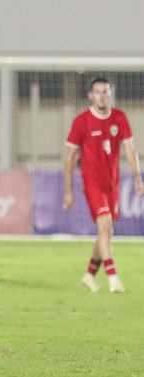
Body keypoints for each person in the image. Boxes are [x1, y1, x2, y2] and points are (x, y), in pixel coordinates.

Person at [64, 77, 143, 293]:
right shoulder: (82, 121)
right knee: (105, 226)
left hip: (113, 185)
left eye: (105, 91)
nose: (101, 95)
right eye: (97, 91)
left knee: (105, 234)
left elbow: (130, 150)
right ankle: (113, 278)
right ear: (91, 95)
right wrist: (69, 190)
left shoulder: (119, 117)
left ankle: (89, 275)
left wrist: (137, 177)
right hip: (92, 184)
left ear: (110, 94)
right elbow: (70, 156)